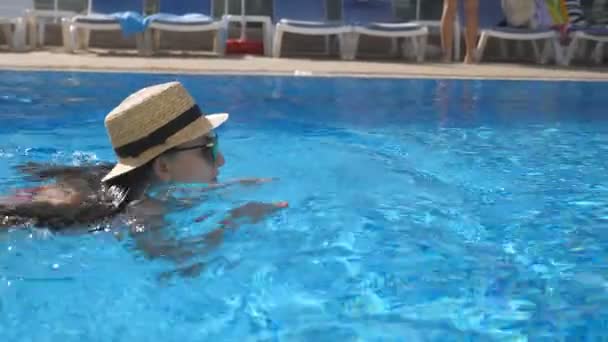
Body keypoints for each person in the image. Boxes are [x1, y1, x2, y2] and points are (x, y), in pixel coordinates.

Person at [0, 81, 287, 264]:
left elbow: (183, 190)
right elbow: (180, 267)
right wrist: (234, 221)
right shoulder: (142, 214)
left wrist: (231, 187)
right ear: (162, 167)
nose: (221, 160)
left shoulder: (140, 185)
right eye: (209, 148)